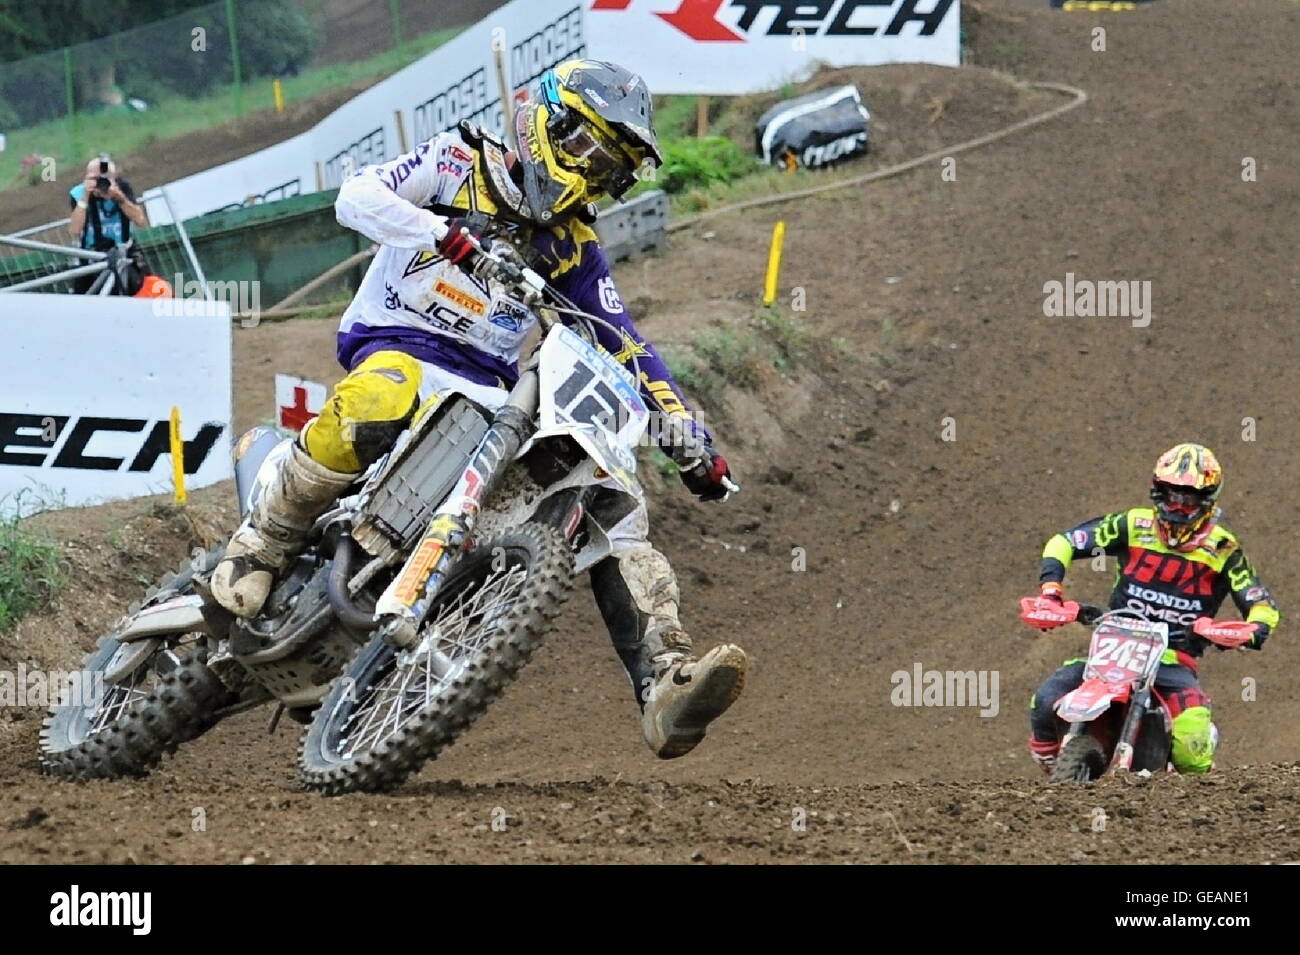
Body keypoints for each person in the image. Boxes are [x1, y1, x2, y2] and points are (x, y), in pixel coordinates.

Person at [212, 60, 749, 759]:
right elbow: (356, 196)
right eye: (587, 150)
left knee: (606, 493)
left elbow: (625, 340)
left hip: (488, 398)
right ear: (546, 123)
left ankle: (662, 680)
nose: (589, 175)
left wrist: (686, 431)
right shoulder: (458, 160)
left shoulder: (573, 246)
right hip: (399, 346)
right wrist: (442, 234)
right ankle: (265, 540)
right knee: (383, 392)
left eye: (608, 169)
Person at [1026, 443, 1279, 775]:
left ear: (1206, 498)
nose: (1178, 503)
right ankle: (1050, 764)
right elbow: (1064, 542)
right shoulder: (1133, 525)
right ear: (1158, 490)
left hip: (1174, 658)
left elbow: (1261, 603)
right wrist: (1051, 592)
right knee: (1045, 699)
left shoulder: (1222, 548)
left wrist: (1246, 630)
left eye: (1188, 496)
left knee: (1192, 750)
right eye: (1171, 493)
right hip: (1115, 650)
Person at [67, 155, 148, 293]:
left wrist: (119, 198)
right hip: (92, 258)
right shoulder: (79, 193)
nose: (101, 184)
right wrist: (85, 196)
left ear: (114, 177)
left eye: (104, 179)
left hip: (123, 254)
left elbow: (140, 221)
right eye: (96, 179)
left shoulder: (122, 188)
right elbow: (75, 231)